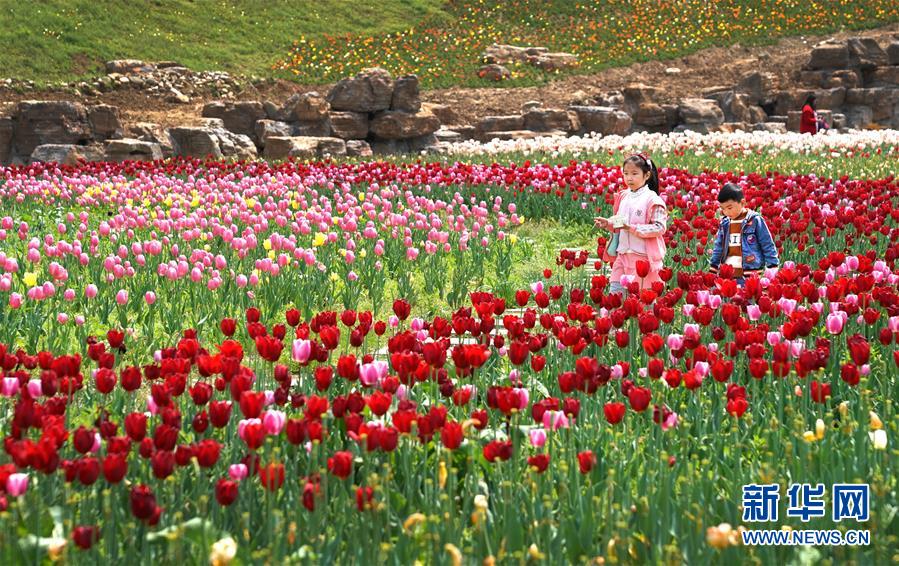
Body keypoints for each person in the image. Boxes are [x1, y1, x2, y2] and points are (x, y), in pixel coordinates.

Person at [595, 153, 668, 294]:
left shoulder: (653, 200)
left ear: (646, 175)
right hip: (622, 256)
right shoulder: (623, 196)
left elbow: (660, 228)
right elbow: (621, 221)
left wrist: (631, 228)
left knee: (644, 304)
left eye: (634, 173)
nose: (629, 178)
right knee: (615, 298)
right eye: (626, 173)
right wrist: (608, 223)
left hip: (643, 259)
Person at [709, 182, 780, 281]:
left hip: (750, 273)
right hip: (728, 274)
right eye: (723, 209)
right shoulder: (725, 224)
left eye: (729, 208)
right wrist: (713, 268)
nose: (726, 212)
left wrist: (772, 267)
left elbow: (767, 244)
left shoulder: (755, 220)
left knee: (750, 295)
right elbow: (718, 247)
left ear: (742, 203)